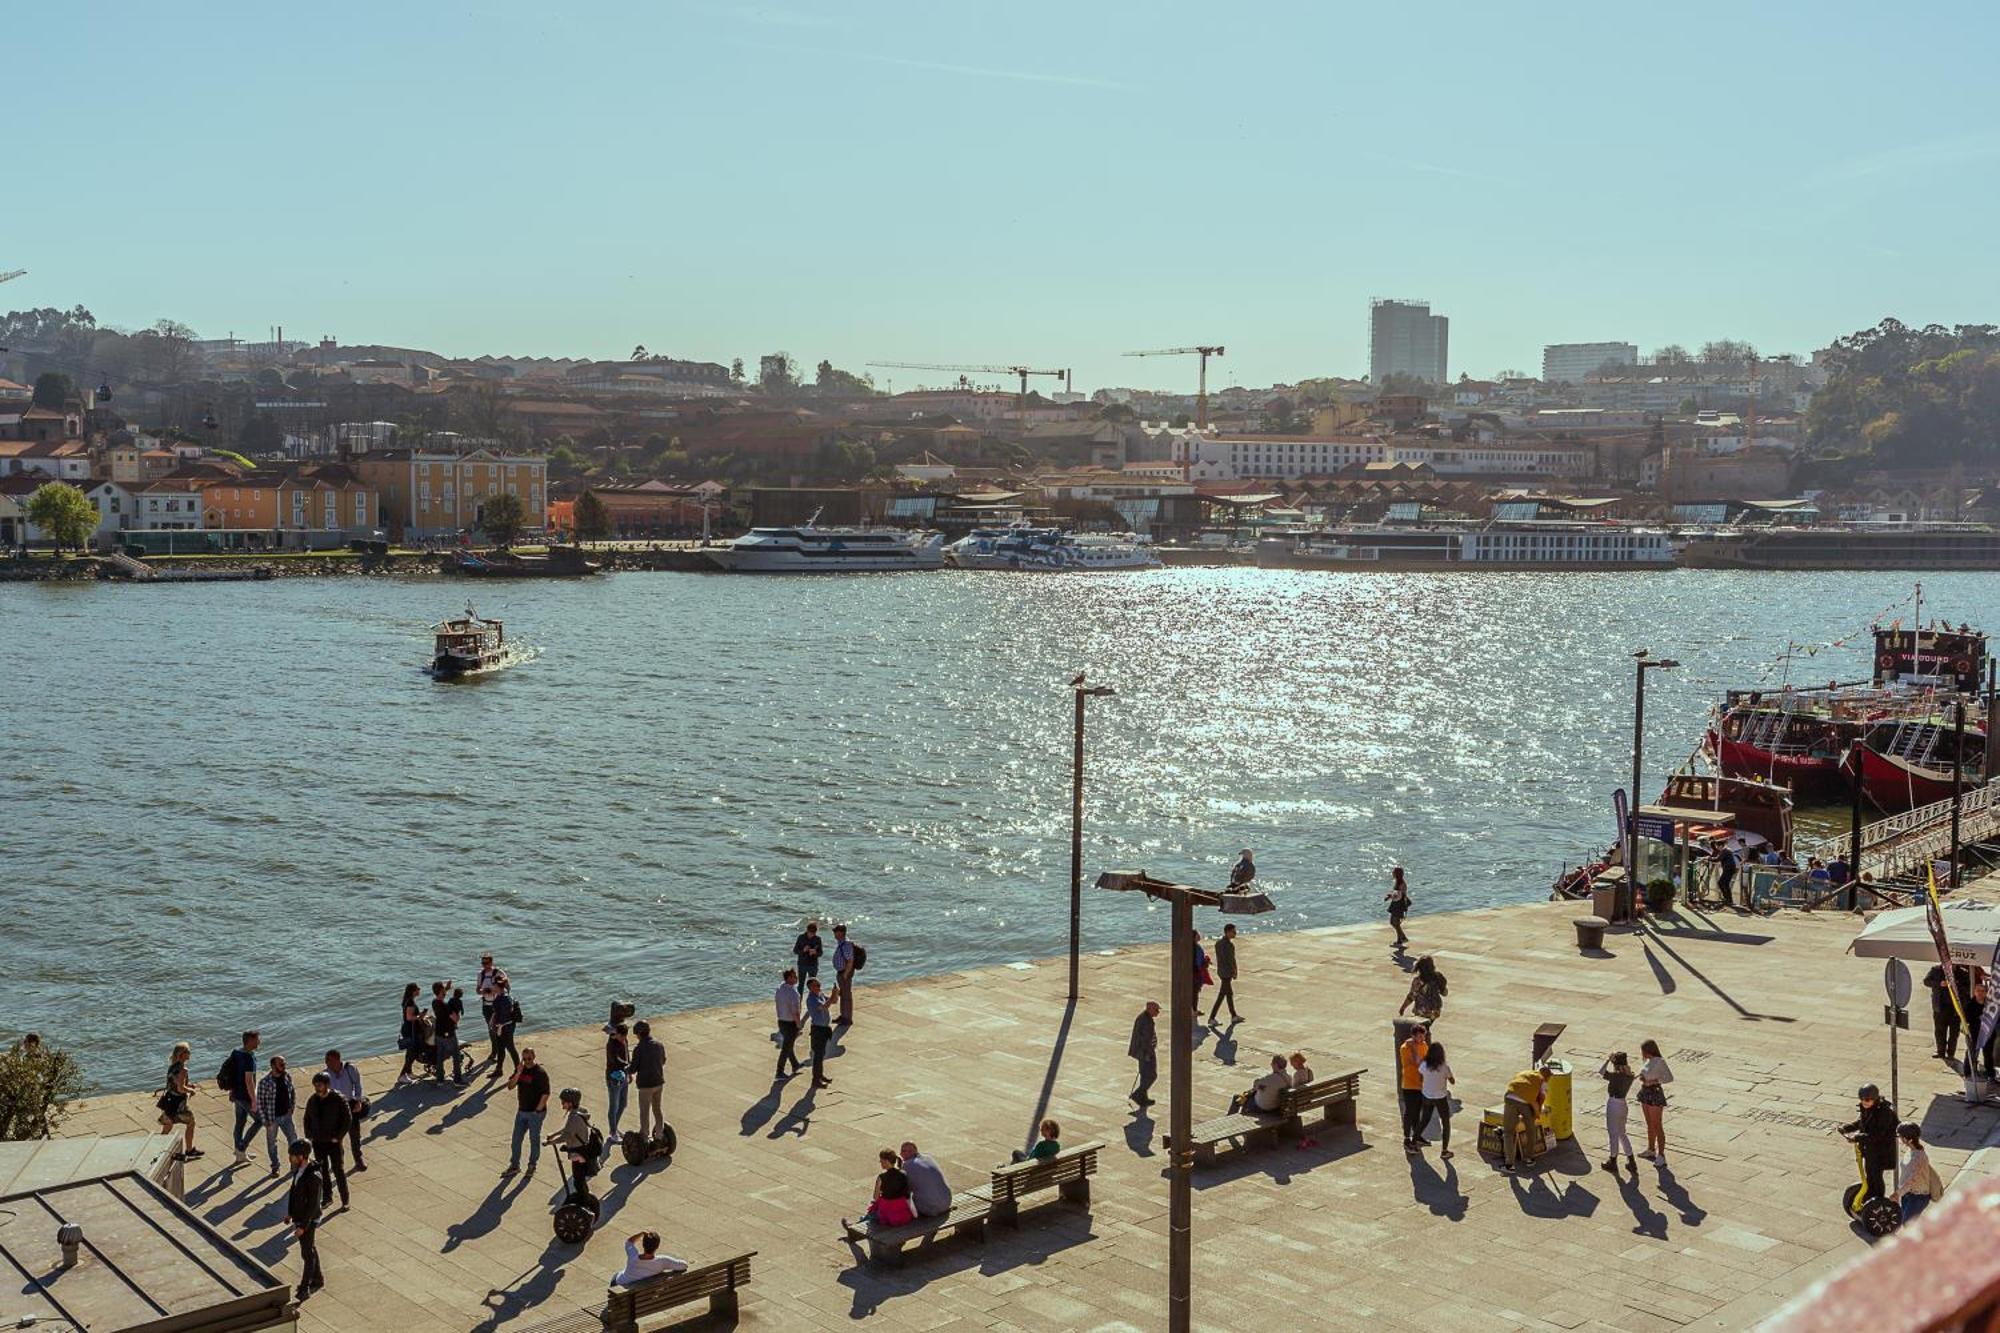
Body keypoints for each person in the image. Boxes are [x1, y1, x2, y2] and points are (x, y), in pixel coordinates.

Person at [1840, 1082, 1898, 1206]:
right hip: (1871, 1151)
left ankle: (1878, 1201)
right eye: (1862, 1100)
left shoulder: (1884, 1112)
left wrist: (1857, 1137)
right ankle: (1870, 1197)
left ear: (1875, 1099)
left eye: (1867, 1100)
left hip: (1881, 1152)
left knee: (1876, 1177)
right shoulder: (1867, 1108)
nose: (1864, 1102)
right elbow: (1861, 1122)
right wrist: (1847, 1128)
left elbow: (1877, 1134)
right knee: (1870, 1175)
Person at [301, 1071, 352, 1209]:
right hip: (318, 1142)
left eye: (320, 1085)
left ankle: (345, 1200)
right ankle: (327, 1197)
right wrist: (309, 1136)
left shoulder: (338, 1099)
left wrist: (339, 1137)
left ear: (327, 1085)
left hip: (334, 1142)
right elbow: (307, 1119)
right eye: (316, 1085)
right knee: (322, 1171)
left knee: (338, 1170)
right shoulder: (313, 1100)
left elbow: (347, 1119)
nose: (317, 1088)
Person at [285, 1139, 325, 1304]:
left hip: (308, 1219)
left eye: (293, 1156)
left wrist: (303, 1226)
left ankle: (304, 1287)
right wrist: (290, 1213)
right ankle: (318, 1278)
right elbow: (294, 1192)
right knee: (309, 1249)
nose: (290, 1159)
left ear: (302, 1156)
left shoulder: (313, 1177)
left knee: (307, 1254)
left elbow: (313, 1205)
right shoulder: (299, 1171)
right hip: (299, 1216)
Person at [503, 1047, 551, 1177]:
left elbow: (546, 1093)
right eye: (524, 1059)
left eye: (529, 1058)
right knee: (516, 1140)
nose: (527, 1061)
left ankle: (532, 1165)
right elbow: (510, 1086)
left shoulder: (540, 1073)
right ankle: (514, 1165)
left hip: (535, 1113)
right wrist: (518, 1073)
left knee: (534, 1140)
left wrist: (537, 1111)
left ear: (534, 1057)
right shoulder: (521, 1070)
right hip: (522, 1111)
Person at [845, 1148, 915, 1232]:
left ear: (886, 1161)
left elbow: (875, 1197)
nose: (880, 1163)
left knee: (874, 1209)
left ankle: (854, 1226)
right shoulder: (903, 1174)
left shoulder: (881, 1177)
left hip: (889, 1212)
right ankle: (858, 1223)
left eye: (881, 1161)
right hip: (902, 1210)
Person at [323, 1050, 367, 1173]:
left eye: (329, 1060)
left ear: (337, 1060)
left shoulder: (350, 1069)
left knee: (355, 1135)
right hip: (335, 1108)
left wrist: (358, 1100)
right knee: (337, 1137)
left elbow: (357, 1084)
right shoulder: (325, 1074)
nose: (326, 1063)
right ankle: (339, 1161)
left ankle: (358, 1159)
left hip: (350, 1105)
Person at [255, 1056, 300, 1177]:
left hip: (286, 1116)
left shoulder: (287, 1077)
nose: (284, 1066)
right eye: (281, 1065)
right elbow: (259, 1103)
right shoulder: (265, 1082)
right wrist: (265, 1121)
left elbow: (292, 1092)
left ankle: (294, 1165)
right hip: (272, 1118)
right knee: (271, 1144)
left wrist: (292, 1107)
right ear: (273, 1066)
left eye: (284, 1064)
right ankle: (275, 1166)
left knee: (293, 1140)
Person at [1894, 1122, 1943, 1225]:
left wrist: (1897, 1194)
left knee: (1907, 1223)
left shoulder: (1919, 1157)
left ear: (1909, 1139)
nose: (1899, 1139)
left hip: (1918, 1197)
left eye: (1900, 1136)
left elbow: (1912, 1179)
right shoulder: (1911, 1151)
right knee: (1908, 1223)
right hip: (1907, 1194)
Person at [545, 1087, 596, 1186]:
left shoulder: (574, 1117)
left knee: (578, 1179)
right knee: (578, 1178)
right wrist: (554, 1134)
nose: (562, 1105)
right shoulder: (579, 1112)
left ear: (571, 1103)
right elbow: (569, 1129)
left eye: (563, 1102)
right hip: (581, 1149)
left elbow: (566, 1136)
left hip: (578, 1152)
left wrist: (550, 1142)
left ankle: (582, 1197)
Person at [224, 1031, 261, 1167]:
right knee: (259, 1120)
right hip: (245, 1095)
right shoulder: (248, 1058)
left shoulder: (236, 1052)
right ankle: (241, 1148)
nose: (259, 1042)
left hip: (236, 1093)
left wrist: (232, 1090)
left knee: (240, 1121)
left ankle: (239, 1153)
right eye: (257, 1039)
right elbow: (249, 1081)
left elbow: (232, 1072)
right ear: (250, 1041)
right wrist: (254, 1099)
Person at [1501, 1066, 1546, 1174]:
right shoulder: (1542, 1080)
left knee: (1508, 1132)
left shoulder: (1524, 1072)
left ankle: (1509, 1165)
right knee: (1531, 1129)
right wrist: (1537, 1112)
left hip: (1511, 1099)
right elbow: (1542, 1097)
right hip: (1526, 1103)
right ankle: (1529, 1158)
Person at [158, 1042, 199, 1158]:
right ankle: (189, 1150)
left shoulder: (172, 1067)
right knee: (191, 1123)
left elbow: (175, 1083)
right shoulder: (183, 1069)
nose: (190, 1054)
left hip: (169, 1102)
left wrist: (189, 1085)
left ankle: (158, 1147)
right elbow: (181, 1089)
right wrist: (191, 1091)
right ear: (182, 1055)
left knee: (167, 1126)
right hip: (179, 1104)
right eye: (188, 1052)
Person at [1600, 1051, 1638, 1175]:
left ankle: (1613, 1160)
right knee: (1622, 1133)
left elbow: (1601, 1071)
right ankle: (1631, 1160)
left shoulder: (1615, 1076)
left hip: (1613, 1104)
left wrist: (1607, 1060)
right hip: (1623, 1105)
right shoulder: (1629, 1075)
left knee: (1613, 1134)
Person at [1637, 1040, 1673, 1163]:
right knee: (1649, 1123)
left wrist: (1654, 1081)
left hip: (1655, 1092)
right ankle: (1651, 1149)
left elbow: (1669, 1077)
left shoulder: (1660, 1062)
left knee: (1657, 1124)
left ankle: (1661, 1154)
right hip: (1645, 1092)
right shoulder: (1647, 1061)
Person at [630, 1021, 666, 1143]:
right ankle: (659, 1135)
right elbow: (663, 1061)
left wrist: (625, 1069)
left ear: (639, 1034)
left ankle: (644, 1136)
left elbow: (633, 1069)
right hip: (658, 1082)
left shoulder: (638, 1049)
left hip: (645, 1086)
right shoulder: (659, 1045)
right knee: (657, 1109)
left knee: (644, 1112)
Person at [611, 1231, 686, 1288]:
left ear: (643, 1245)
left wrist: (641, 1234)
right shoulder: (663, 1261)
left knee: (617, 1274)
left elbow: (629, 1242)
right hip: (643, 1297)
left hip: (621, 1285)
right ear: (657, 1247)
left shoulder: (633, 1256)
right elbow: (684, 1265)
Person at [1926, 964, 1968, 1064]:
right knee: (1940, 1031)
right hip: (1940, 1007)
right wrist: (1939, 983)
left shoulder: (1962, 973)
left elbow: (1967, 988)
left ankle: (1951, 1053)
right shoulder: (1936, 970)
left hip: (1955, 1009)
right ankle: (1940, 1051)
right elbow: (1926, 981)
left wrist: (1956, 985)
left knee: (1954, 1032)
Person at [1419, 1042, 1454, 1159]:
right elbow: (1452, 1081)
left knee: (1425, 1119)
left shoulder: (1424, 1065)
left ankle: (1414, 1141)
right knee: (1445, 1122)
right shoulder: (1444, 1067)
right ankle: (1444, 1150)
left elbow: (1420, 1076)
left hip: (1427, 1095)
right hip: (1440, 1097)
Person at [1397, 1025, 1430, 1150]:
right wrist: (1413, 1048)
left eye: (1424, 1036)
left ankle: (1417, 1136)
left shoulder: (1424, 1045)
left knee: (1417, 1113)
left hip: (1421, 1085)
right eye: (1420, 1036)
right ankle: (1407, 1138)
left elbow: (1426, 1062)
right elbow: (1418, 1063)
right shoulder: (1405, 1048)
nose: (1422, 1038)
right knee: (1409, 1112)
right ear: (1413, 1036)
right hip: (1410, 1085)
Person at [900, 1142, 952, 1217]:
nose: (901, 1153)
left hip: (931, 1209)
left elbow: (905, 1190)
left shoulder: (906, 1165)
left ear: (913, 1151)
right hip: (947, 1202)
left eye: (903, 1151)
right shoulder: (928, 1157)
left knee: (904, 1205)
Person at [486, 978, 522, 1080]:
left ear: (498, 987)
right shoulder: (501, 996)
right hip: (502, 1026)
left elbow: (504, 1014)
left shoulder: (505, 998)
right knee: (500, 1048)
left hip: (506, 1027)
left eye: (494, 986)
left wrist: (497, 1024)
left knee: (511, 1048)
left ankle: (518, 1071)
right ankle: (499, 1069)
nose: (492, 987)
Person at [600, 1021, 631, 1139]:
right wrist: (628, 1066)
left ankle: (615, 1127)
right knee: (614, 1106)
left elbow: (627, 1055)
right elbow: (616, 1061)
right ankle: (612, 1133)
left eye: (625, 1037)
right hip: (614, 1077)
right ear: (617, 1034)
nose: (623, 1039)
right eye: (621, 1037)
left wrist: (629, 1072)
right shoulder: (612, 1045)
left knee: (623, 1104)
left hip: (624, 1075)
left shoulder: (624, 1041)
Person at [1208, 923, 1241, 1024]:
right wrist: (1235, 971)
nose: (1235, 933)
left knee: (1228, 994)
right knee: (1222, 995)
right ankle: (1212, 1017)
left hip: (1221, 971)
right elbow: (1231, 960)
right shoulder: (1229, 945)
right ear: (1227, 932)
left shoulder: (1218, 943)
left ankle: (1234, 1015)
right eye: (1233, 931)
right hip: (1227, 972)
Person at [396, 984, 428, 1087]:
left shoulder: (408, 1000)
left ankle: (409, 1073)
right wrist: (420, 1016)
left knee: (410, 1051)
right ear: (413, 991)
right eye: (418, 989)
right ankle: (402, 1075)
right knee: (413, 1052)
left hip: (409, 1029)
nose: (419, 990)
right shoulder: (410, 1002)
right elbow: (409, 1017)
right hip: (411, 1031)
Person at [1128, 1001, 1160, 1107]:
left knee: (1145, 1075)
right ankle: (1138, 1094)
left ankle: (1143, 1098)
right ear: (1150, 1009)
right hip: (1145, 1052)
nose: (1158, 1012)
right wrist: (1148, 1054)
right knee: (1151, 1075)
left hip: (1143, 1051)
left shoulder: (1146, 1018)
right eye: (1156, 1010)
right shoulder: (1146, 1021)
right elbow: (1145, 1040)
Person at [1399, 956, 1447, 1023]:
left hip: (1421, 1011)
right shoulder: (1438, 977)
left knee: (1420, 1029)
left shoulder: (1418, 981)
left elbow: (1411, 997)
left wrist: (1403, 1007)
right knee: (1426, 1026)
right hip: (1435, 1011)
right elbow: (1445, 993)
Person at [774, 968, 803, 1079]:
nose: (796, 978)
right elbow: (794, 1011)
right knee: (786, 1048)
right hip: (790, 1023)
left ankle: (795, 1064)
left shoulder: (780, 988)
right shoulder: (793, 993)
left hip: (781, 1021)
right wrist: (799, 1024)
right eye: (794, 976)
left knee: (788, 1044)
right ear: (789, 978)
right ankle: (779, 1072)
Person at [806, 978, 834, 1089]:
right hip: (818, 1030)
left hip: (824, 1029)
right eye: (816, 985)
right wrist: (833, 996)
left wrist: (834, 995)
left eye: (819, 984)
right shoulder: (811, 999)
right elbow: (824, 1006)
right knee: (817, 1055)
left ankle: (820, 1075)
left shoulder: (820, 994)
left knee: (821, 1054)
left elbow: (833, 1001)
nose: (819, 986)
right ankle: (815, 1080)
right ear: (811, 988)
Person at [832, 924, 858, 1026]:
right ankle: (843, 1016)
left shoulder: (846, 944)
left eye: (836, 931)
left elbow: (850, 960)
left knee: (846, 996)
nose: (834, 933)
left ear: (841, 933)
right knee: (843, 995)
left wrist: (846, 974)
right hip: (841, 972)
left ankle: (847, 1018)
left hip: (845, 973)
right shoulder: (841, 943)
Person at [793, 921, 825, 995]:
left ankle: (813, 1003)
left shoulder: (818, 939)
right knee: (800, 985)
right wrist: (803, 950)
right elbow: (795, 951)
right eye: (811, 932)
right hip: (802, 964)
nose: (812, 934)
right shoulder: (801, 937)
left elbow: (821, 953)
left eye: (814, 933)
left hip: (813, 965)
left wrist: (815, 952)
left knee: (813, 985)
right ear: (807, 930)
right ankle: (798, 1003)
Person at [1385, 867, 1411, 948]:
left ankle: (1403, 937)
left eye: (1394, 872)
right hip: (1396, 903)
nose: (1392, 874)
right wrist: (1390, 896)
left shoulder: (1402, 883)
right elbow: (1396, 893)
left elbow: (1399, 895)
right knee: (1395, 922)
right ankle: (1400, 939)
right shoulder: (1398, 882)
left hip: (1399, 905)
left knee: (1394, 922)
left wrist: (1390, 896)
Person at [1190, 929, 1211, 1016]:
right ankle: (1194, 1010)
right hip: (1196, 972)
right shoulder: (1196, 948)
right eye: (1197, 935)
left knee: (1192, 992)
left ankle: (1192, 1009)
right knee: (1195, 992)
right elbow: (1198, 962)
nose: (1199, 936)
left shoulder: (1190, 946)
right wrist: (1206, 961)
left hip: (1192, 972)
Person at [1715, 843, 1739, 908]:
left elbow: (1717, 859)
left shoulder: (1725, 851)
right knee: (1725, 884)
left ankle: (1728, 899)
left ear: (1721, 845)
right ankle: (1728, 899)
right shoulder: (1727, 850)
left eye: (1717, 846)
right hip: (1729, 869)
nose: (1717, 848)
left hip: (1728, 869)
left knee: (1721, 883)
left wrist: (1708, 858)